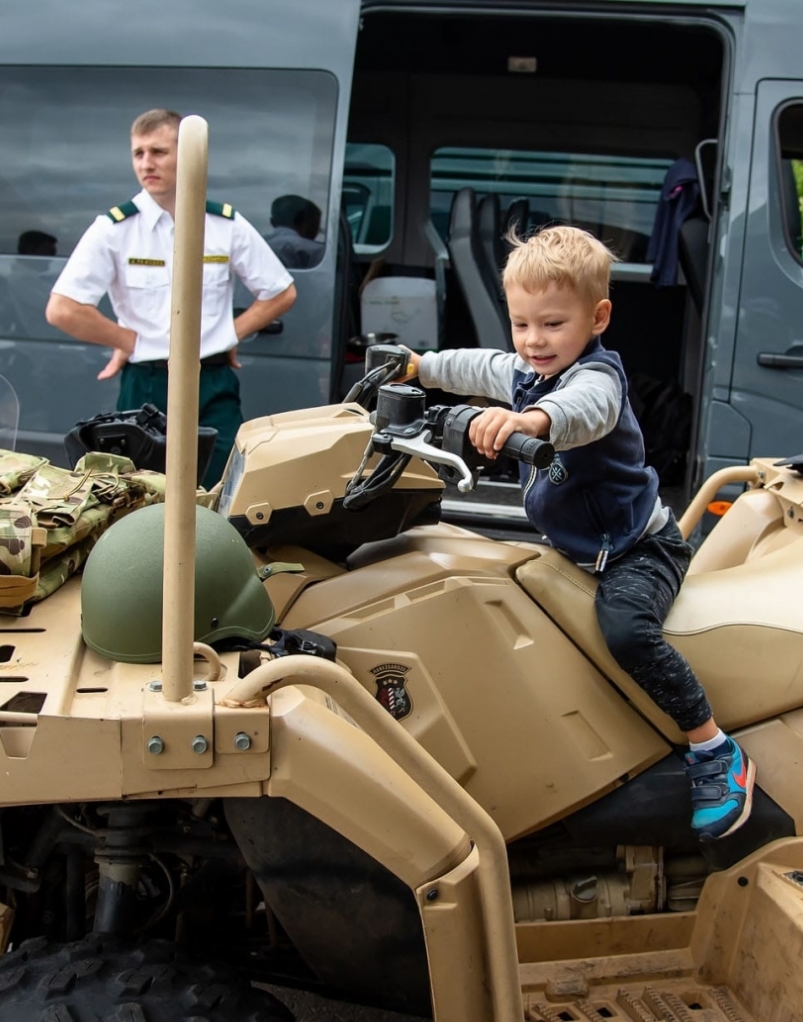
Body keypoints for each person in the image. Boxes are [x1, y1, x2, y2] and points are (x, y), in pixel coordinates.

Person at [398, 226, 754, 842]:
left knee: (627, 630)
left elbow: (579, 412)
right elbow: (475, 365)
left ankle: (713, 749)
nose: (534, 341)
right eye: (522, 324)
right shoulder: (522, 368)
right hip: (577, 547)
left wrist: (529, 419)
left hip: (638, 549)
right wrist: (416, 365)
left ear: (598, 317)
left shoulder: (597, 380)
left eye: (553, 325)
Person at [46, 109, 297, 482]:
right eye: (138, 153)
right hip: (146, 382)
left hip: (210, 380)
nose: (146, 163)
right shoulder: (115, 228)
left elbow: (280, 292)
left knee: (224, 487)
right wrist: (127, 339)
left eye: (159, 152)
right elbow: (63, 309)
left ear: (188, 155)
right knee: (141, 491)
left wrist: (226, 334)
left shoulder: (224, 224)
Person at [265, 195, 325, 269]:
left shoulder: (256, 244)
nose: (317, 233)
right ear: (302, 222)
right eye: (316, 227)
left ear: (272, 222)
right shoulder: (317, 252)